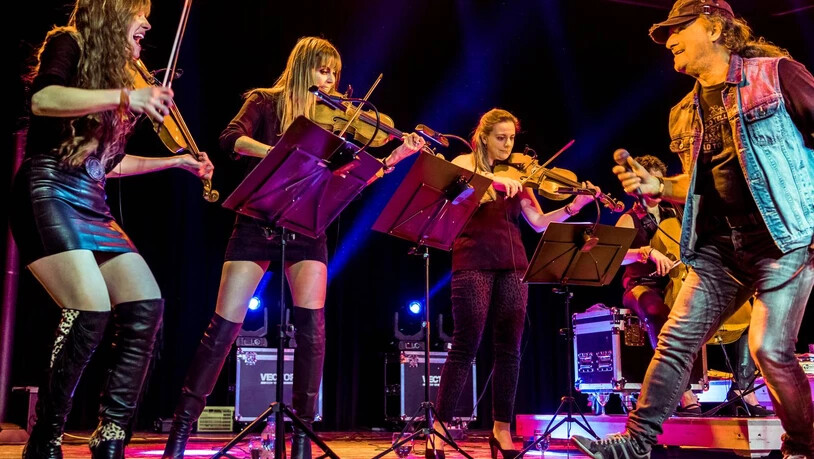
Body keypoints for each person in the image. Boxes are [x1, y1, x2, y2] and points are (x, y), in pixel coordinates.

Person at [161, 36, 426, 459]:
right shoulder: (266, 101)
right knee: (222, 329)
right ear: (304, 67)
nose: (331, 79)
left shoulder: (333, 120)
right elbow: (231, 139)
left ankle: (302, 436)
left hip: (307, 226)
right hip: (257, 218)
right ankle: (181, 429)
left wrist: (395, 158)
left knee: (312, 331)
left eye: (335, 73)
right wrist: (283, 155)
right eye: (323, 70)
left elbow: (352, 179)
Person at [572, 1, 814, 458]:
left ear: (717, 27)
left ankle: (802, 446)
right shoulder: (683, 112)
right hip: (720, 248)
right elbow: (696, 185)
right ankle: (636, 442)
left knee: (768, 348)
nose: (669, 41)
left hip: (784, 240)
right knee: (675, 342)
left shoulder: (776, 74)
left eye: (678, 29)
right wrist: (660, 185)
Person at [11, 1, 215, 458]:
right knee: (89, 309)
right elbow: (44, 100)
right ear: (111, 12)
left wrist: (176, 161)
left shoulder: (122, 73)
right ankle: (45, 440)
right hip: (49, 191)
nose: (147, 22)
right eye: (138, 11)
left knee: (147, 305)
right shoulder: (70, 42)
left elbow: (110, 164)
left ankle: (111, 437)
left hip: (93, 201)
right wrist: (126, 97)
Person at [427, 108, 599, 459]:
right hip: (472, 261)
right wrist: (492, 183)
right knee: (466, 345)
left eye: (511, 139)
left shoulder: (519, 173)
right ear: (483, 137)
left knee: (510, 350)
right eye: (500, 138)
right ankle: (440, 428)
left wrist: (573, 206)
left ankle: (501, 430)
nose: (507, 146)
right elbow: (453, 202)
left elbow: (537, 222)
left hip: (515, 266)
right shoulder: (465, 163)